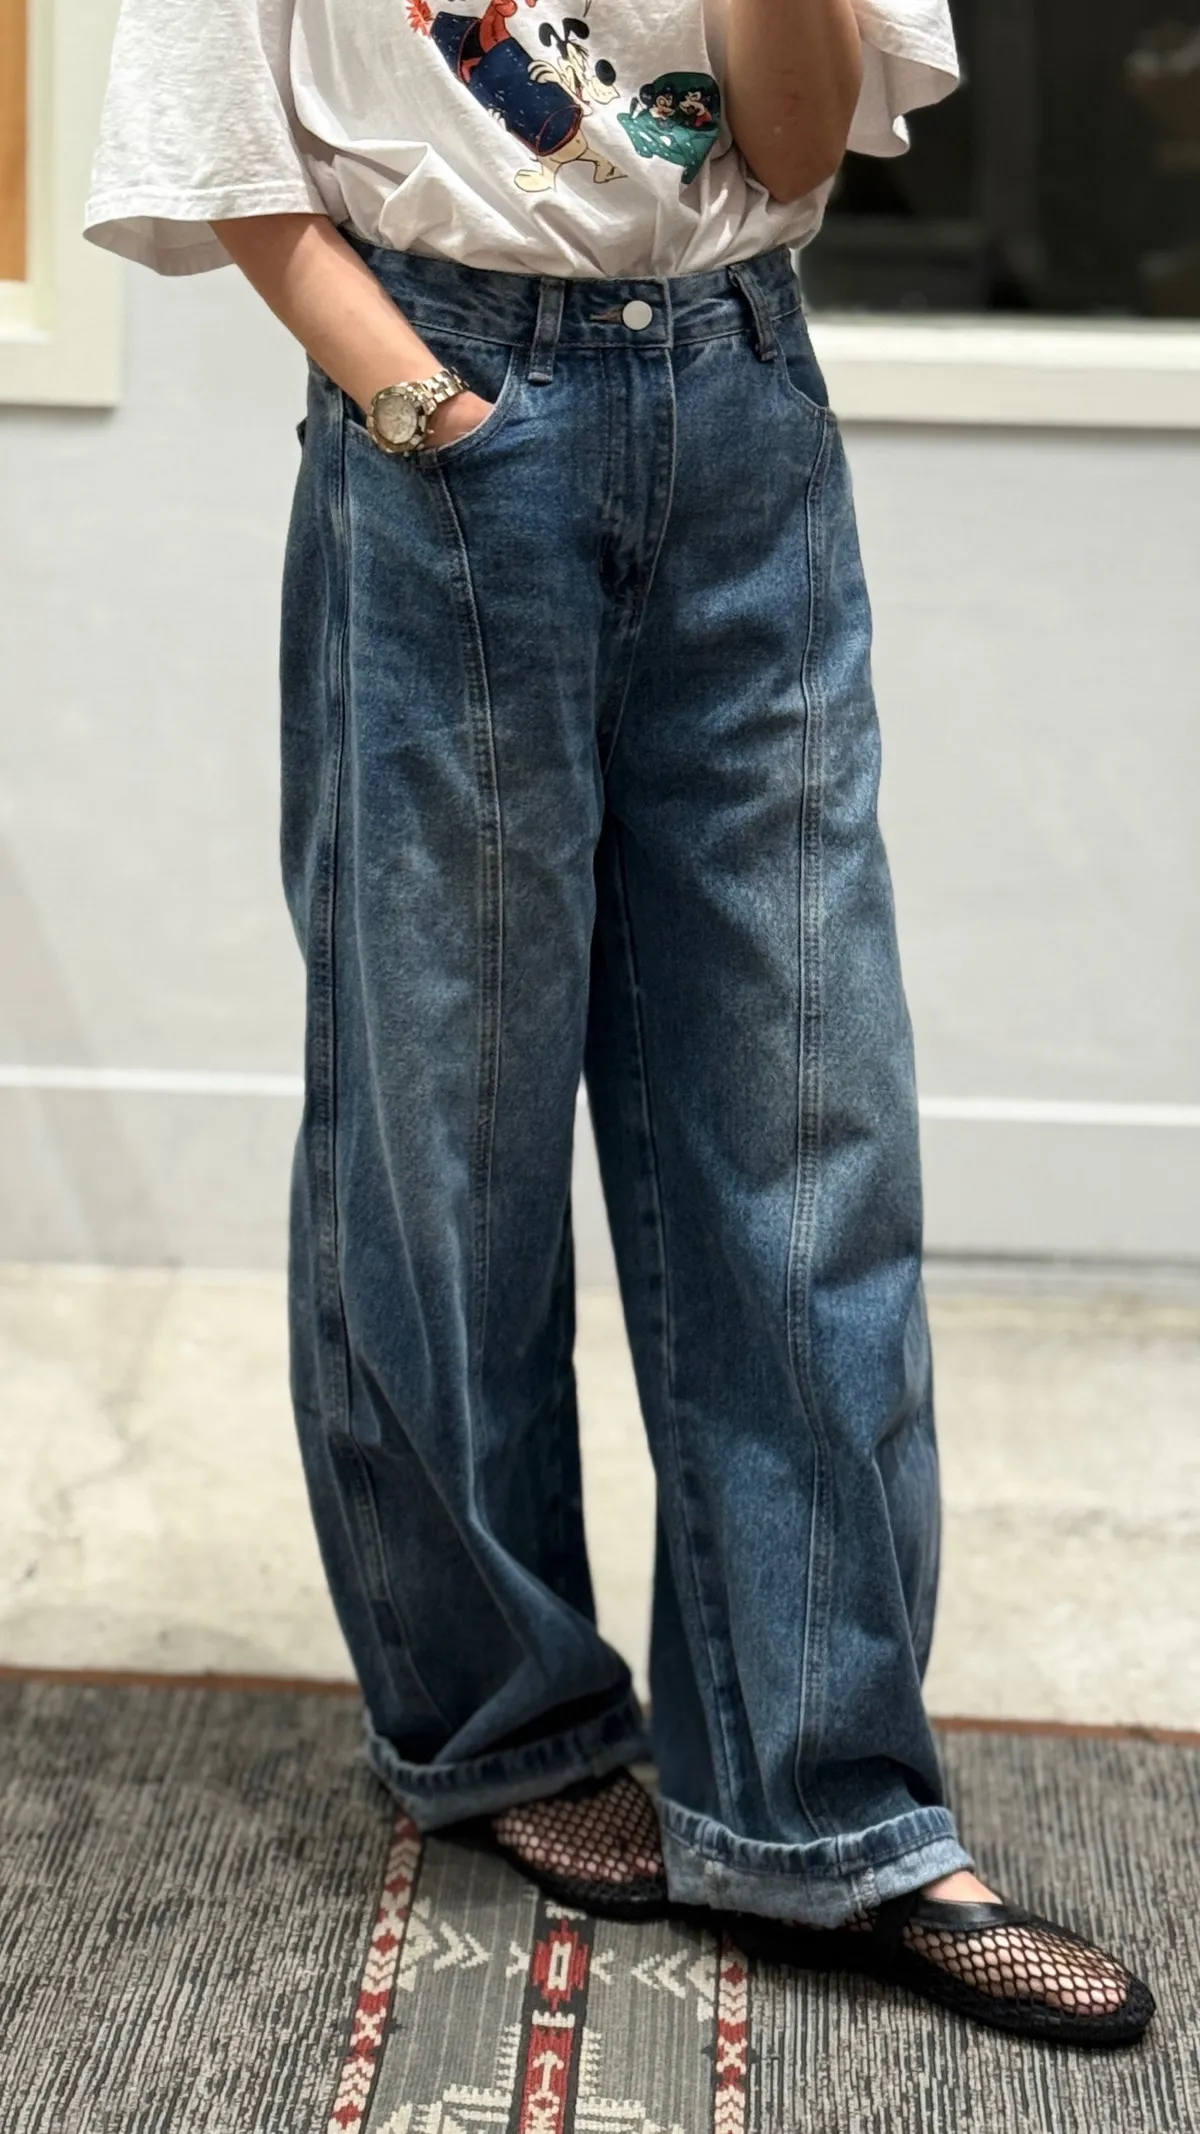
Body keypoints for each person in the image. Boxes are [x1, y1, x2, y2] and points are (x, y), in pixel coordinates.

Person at [84, 0, 1155, 2050]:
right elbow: (223, 153)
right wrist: (422, 409)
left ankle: (831, 1803)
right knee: (448, 1125)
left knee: (804, 1122)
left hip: (743, 404)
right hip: (447, 405)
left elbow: (797, 143)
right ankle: (500, 1719)